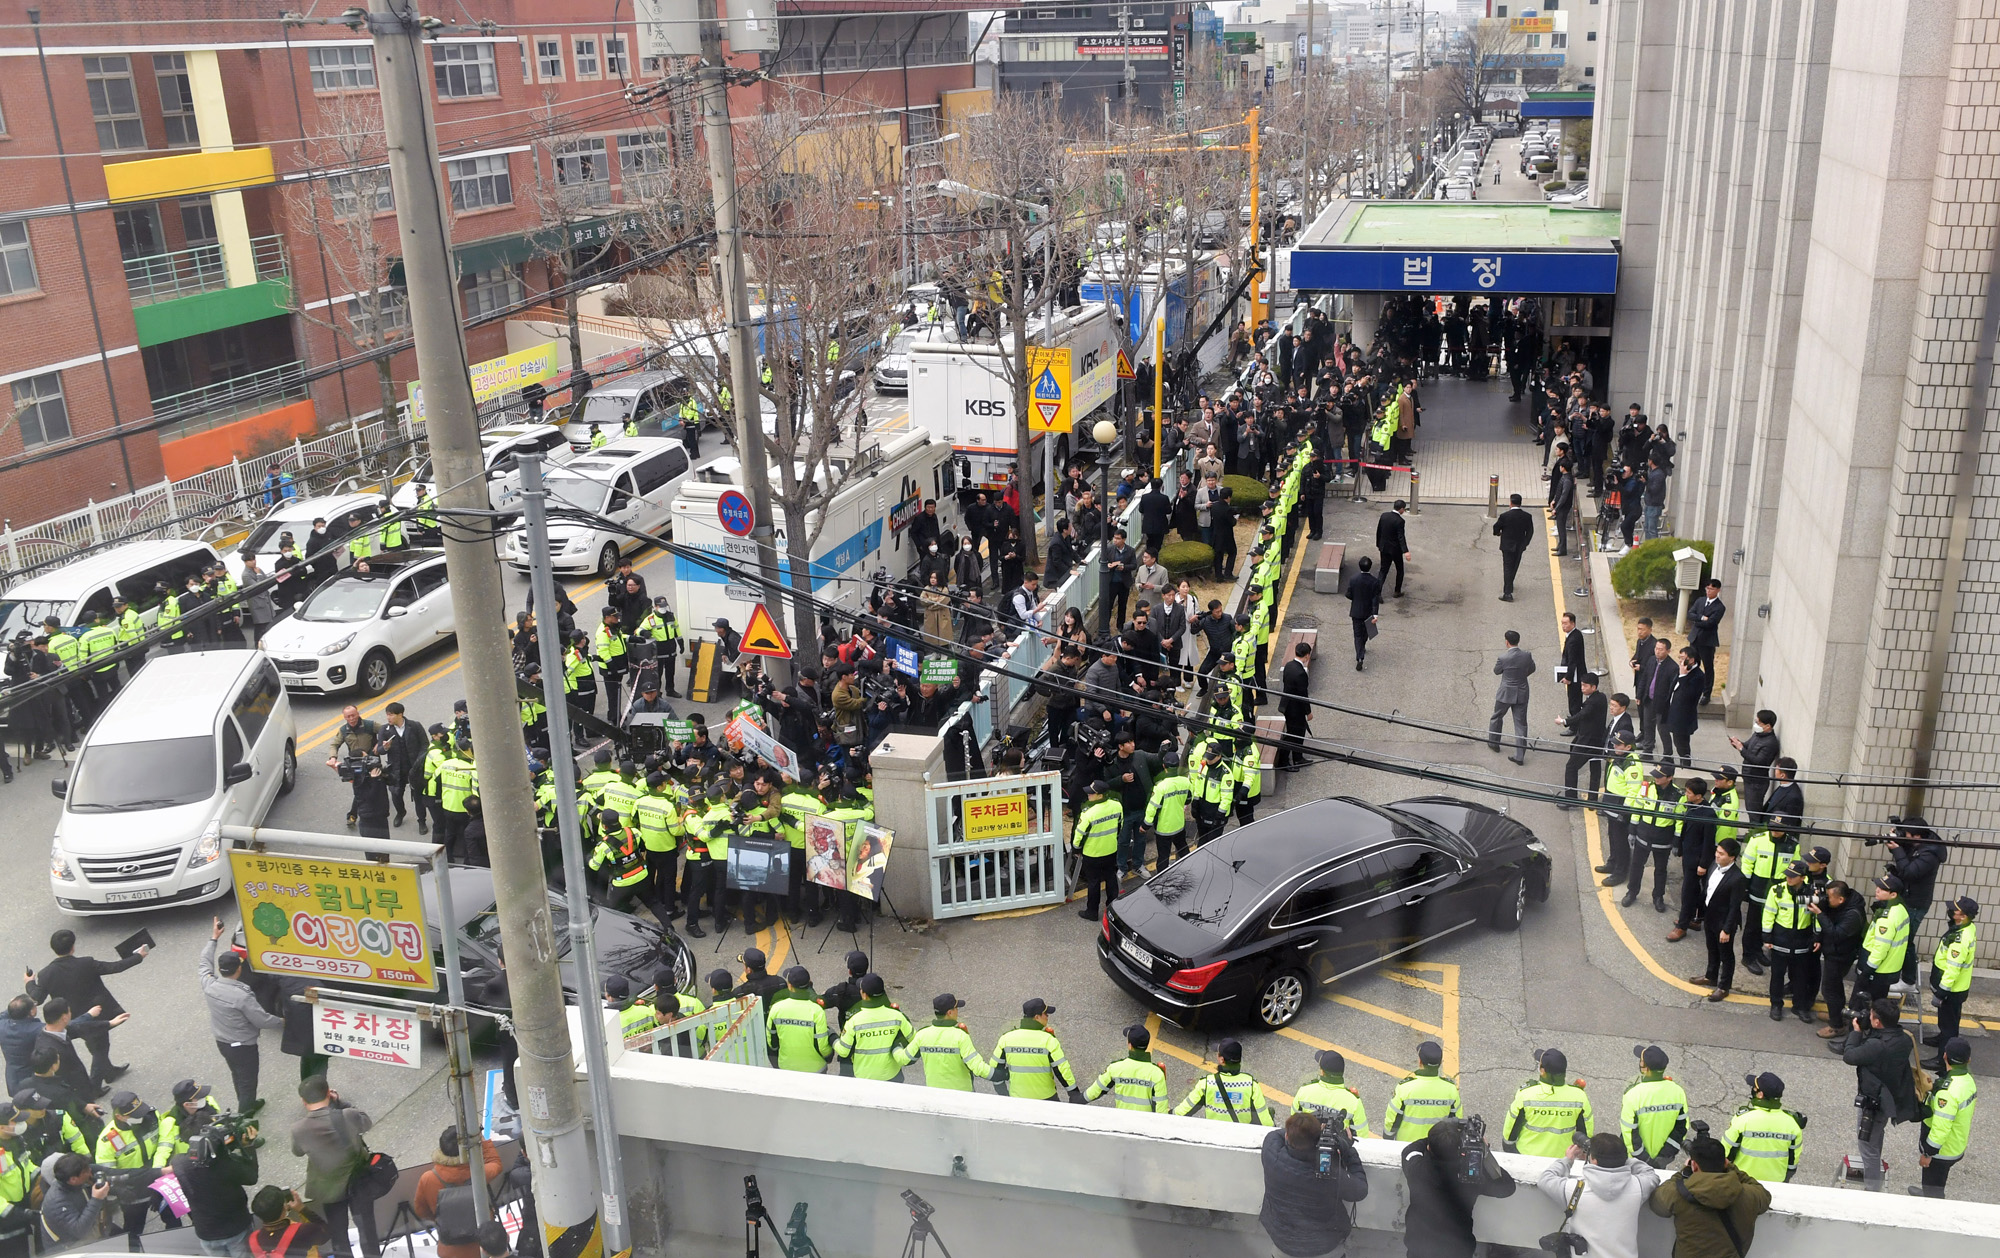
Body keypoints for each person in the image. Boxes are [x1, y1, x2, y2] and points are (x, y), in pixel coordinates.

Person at [28, 930, 146, 1088]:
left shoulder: (45, 974)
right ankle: (95, 1086)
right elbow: (116, 967)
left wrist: (29, 982)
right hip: (95, 1013)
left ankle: (109, 1071)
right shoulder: (86, 963)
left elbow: (38, 998)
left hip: (71, 1018)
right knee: (100, 1049)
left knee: (95, 1044)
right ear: (73, 947)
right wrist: (139, 956)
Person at [1399, 1116, 1516, 1258]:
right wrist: (1482, 1151)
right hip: (1458, 1249)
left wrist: (1437, 1138)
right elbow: (1507, 1187)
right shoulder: (1473, 1175)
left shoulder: (1417, 1169)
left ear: (1429, 1148)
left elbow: (1410, 1150)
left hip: (1419, 1247)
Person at [289, 1076, 380, 1258]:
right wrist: (341, 1102)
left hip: (328, 1189)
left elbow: (297, 1152)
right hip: (358, 1183)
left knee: (339, 1235)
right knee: (367, 1230)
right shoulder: (347, 1115)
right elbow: (366, 1122)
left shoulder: (297, 1129)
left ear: (303, 1101)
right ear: (328, 1093)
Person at [198, 918, 282, 1109]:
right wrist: (284, 1021)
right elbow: (262, 1020)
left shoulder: (209, 985)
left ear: (220, 969)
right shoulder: (241, 996)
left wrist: (213, 938)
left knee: (237, 1075)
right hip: (243, 1047)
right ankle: (245, 1116)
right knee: (247, 1081)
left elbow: (204, 962)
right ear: (239, 969)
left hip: (223, 1042)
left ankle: (247, 1103)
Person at [1259, 1111, 1367, 1258]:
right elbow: (1360, 1190)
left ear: (1287, 1136)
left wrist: (1303, 1127)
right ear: (1318, 1140)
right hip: (1325, 1249)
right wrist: (1347, 1148)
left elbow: (1274, 1135)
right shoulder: (1330, 1173)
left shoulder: (1271, 1153)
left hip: (1283, 1246)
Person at [1645, 1135, 1770, 1258]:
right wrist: (1732, 1168)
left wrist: (1684, 1172)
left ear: (1694, 1166)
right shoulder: (1750, 1195)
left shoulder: (1677, 1194)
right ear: (1725, 1162)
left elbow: (1656, 1203)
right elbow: (1764, 1196)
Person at [1537, 1133, 1659, 1258]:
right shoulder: (1638, 1187)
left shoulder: (1574, 1190)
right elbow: (1650, 1174)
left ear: (1593, 1160)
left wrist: (1568, 1159)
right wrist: (1620, 1158)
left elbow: (1546, 1179)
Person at [1841, 997, 1918, 1191]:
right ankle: (1872, 1181)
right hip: (1889, 1099)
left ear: (1877, 1022)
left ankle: (1872, 1190)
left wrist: (1857, 1032)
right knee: (1876, 1137)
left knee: (1867, 1146)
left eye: (1872, 1016)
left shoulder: (1876, 1045)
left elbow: (1849, 1055)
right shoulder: (1904, 1038)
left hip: (1874, 1102)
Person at [413, 1127, 503, 1258]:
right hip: (483, 1247)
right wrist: (480, 1138)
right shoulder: (478, 1173)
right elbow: (495, 1163)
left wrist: (443, 1219)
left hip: (449, 1250)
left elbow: (421, 1211)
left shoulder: (428, 1179)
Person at [1883, 817, 1946, 996]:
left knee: (1906, 940)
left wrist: (1897, 850)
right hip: (1907, 897)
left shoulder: (1930, 854)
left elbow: (1910, 872)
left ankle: (1909, 981)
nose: (1905, 837)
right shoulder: (1919, 844)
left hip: (1915, 903)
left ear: (1917, 836)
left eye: (1907, 834)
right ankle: (1899, 974)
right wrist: (1898, 840)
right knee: (1899, 938)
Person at [1913, 1037, 1976, 1197]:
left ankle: (1931, 1202)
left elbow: (1941, 1128)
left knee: (1934, 1189)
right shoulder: (1967, 1080)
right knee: (1936, 1182)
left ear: (1944, 1056)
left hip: (1941, 1152)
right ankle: (1929, 1193)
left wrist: (1928, 1154)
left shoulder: (1947, 1092)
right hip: (1956, 1144)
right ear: (1968, 1059)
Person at [1503, 1048, 1592, 1157]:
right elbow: (1586, 1134)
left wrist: (1510, 1150)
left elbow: (1510, 1132)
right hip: (1562, 1160)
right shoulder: (1579, 1097)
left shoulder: (1526, 1094)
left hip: (1527, 1156)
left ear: (1542, 1070)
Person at [1762, 859, 1820, 1023]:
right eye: (1788, 875)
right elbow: (1768, 915)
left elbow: (1817, 915)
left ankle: (1800, 1007)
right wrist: (1767, 936)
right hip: (1781, 940)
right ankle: (1776, 1005)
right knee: (1777, 975)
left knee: (1801, 977)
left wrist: (1817, 936)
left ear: (1802, 877)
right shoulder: (1777, 891)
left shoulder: (1811, 893)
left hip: (1802, 941)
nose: (1789, 878)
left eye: (1793, 876)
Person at [1845, 874, 1911, 1017]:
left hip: (1876, 970)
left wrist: (1867, 970)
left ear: (1893, 894)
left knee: (1861, 1007)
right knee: (1876, 1007)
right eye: (1878, 886)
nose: (1877, 890)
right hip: (1886, 970)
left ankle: (1855, 1036)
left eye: (1882, 889)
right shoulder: (1900, 909)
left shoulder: (1887, 917)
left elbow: (1881, 948)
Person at [1720, 1072, 1804, 1183]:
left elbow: (1724, 1154)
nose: (1752, 1090)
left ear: (1760, 1095)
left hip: (1743, 1182)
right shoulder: (1792, 1124)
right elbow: (1792, 1164)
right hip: (1776, 1184)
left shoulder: (1743, 1120)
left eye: (1754, 1088)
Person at [1924, 895, 1979, 1065]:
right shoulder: (1963, 928)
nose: (1950, 911)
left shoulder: (1960, 939)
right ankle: (1942, 1038)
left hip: (1952, 989)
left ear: (1963, 916)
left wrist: (1941, 993)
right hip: (1955, 988)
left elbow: (1953, 968)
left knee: (1949, 1025)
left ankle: (1942, 1060)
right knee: (1947, 1020)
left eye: (1955, 910)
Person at [897, 994, 992, 1091]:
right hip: (962, 1094)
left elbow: (903, 1059)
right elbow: (976, 1066)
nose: (957, 1011)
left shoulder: (922, 1035)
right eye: (956, 1008)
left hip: (935, 1093)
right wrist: (997, 1074)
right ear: (950, 1012)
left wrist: (895, 1046)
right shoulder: (960, 1036)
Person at [991, 998, 1079, 1102]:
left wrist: (1003, 1094)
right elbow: (1063, 1070)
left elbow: (995, 1069)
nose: (1047, 1016)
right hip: (1047, 1099)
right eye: (1045, 1013)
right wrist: (1074, 1094)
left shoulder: (1006, 1039)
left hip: (1017, 1099)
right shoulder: (1049, 1040)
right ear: (1037, 1017)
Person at [831, 974, 910, 1083]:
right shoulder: (898, 1017)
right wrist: (897, 1048)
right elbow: (913, 1041)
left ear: (864, 995)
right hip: (892, 1075)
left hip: (864, 1077)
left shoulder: (854, 1021)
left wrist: (832, 1037)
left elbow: (844, 1051)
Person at [1812, 880, 1866, 1040]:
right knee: (1834, 987)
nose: (1826, 900)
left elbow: (1835, 933)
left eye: (1828, 897)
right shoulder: (1842, 905)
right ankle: (1836, 1013)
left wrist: (1819, 914)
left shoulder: (1853, 916)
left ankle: (1837, 1026)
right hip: (1834, 952)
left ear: (1841, 899)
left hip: (1840, 955)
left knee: (1830, 990)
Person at [1173, 1040, 1272, 1125]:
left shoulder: (1207, 1084)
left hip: (1214, 1136)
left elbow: (1181, 1113)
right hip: (1241, 1137)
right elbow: (1266, 1123)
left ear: (1221, 1060)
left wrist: (1168, 1113)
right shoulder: (1251, 1085)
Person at [1382, 1041, 1460, 1142]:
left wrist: (1387, 1138)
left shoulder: (1405, 1088)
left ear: (1420, 1062)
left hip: (1407, 1145)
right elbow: (1456, 1122)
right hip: (1436, 1148)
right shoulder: (1451, 1089)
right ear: (1440, 1063)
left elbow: (1392, 1120)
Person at [1082, 1024, 1167, 1112]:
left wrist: (1078, 1099)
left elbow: (1095, 1091)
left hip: (1121, 1122)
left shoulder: (1115, 1068)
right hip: (1145, 1124)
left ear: (1130, 1046)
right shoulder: (1157, 1074)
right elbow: (1161, 1109)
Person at [1071, 779, 1123, 921]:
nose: (1089, 796)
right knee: (1111, 878)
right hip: (1111, 850)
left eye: (1091, 794)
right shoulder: (1116, 805)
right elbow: (1119, 826)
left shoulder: (1089, 813)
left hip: (1092, 853)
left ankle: (1092, 911)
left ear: (1100, 795)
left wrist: (1076, 848)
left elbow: (1079, 835)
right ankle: (1113, 908)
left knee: (1093, 882)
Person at [765, 968, 832, 1074]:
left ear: (789, 985)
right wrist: (829, 1055)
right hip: (815, 1069)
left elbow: (771, 1042)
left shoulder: (776, 1009)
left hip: (786, 1067)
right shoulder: (817, 1011)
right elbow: (822, 1046)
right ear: (809, 983)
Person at [1290, 1049, 1368, 1139]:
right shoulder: (1353, 1101)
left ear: (1322, 1072)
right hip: (1338, 1149)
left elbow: (1294, 1124)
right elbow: (1362, 1136)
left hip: (1308, 1145)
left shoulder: (1304, 1092)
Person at [37, 1153, 109, 1249]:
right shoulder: (57, 1201)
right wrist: (96, 1199)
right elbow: (79, 1231)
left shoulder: (74, 1184)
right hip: (67, 1250)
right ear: (73, 1179)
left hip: (86, 1240)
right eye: (86, 1171)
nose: (90, 1171)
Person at [1487, 630, 1536, 765]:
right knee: (1521, 723)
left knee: (1497, 716)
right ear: (1518, 641)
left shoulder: (1503, 658)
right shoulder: (1527, 655)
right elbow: (1532, 668)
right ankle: (1520, 756)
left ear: (1506, 641)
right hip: (1522, 691)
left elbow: (1496, 671)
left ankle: (1494, 743)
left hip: (1506, 692)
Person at [1558, 672, 1606, 808]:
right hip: (1597, 740)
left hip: (1587, 741)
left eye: (1585, 686)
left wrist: (1564, 721)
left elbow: (1581, 715)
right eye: (1582, 685)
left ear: (1594, 687)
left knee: (1571, 767)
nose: (1582, 688)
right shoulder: (1601, 698)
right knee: (1595, 768)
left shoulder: (1591, 703)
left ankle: (1571, 800)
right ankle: (1592, 800)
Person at [247, 1188, 331, 1258]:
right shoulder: (303, 1231)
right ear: (284, 1208)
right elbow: (325, 1234)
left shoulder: (252, 1239)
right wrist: (302, 1208)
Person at [1492, 493, 1535, 601]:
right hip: (1519, 546)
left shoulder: (1505, 516)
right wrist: (1525, 544)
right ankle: (1510, 583)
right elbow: (1530, 532)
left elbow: (1496, 527)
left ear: (1510, 503)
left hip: (1507, 545)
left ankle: (1507, 593)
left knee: (1507, 567)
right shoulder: (1527, 516)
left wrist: (1498, 533)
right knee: (1515, 565)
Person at [1277, 642, 1313, 772]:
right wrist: (1308, 712)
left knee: (1298, 732)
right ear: (1307, 655)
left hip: (1287, 705)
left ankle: (1298, 756)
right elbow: (1303, 695)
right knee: (1293, 735)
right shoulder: (1300, 673)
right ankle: (1284, 761)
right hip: (1295, 709)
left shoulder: (1289, 666)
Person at [1345, 557, 1381, 670]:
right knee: (1366, 633)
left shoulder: (1353, 579)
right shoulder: (1375, 582)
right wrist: (1375, 614)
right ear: (1370, 567)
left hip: (1356, 611)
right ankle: (1363, 647)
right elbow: (1375, 599)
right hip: (1368, 612)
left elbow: (1348, 594)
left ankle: (1360, 657)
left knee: (1357, 635)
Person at [1376, 500, 1409, 597]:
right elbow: (1401, 537)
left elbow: (1379, 531)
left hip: (1384, 548)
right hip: (1395, 550)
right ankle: (1397, 591)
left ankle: (1378, 593)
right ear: (1401, 509)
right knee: (1400, 569)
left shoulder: (1384, 516)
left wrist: (1379, 544)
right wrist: (1405, 551)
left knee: (1383, 570)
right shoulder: (1400, 521)